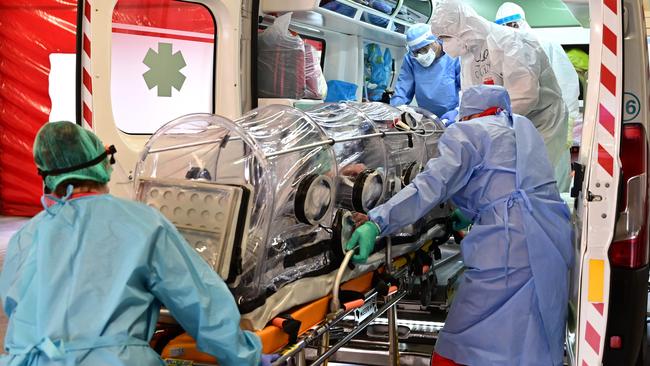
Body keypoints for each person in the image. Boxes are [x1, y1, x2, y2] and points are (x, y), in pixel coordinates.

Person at [0, 121, 276, 365]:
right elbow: (200, 303)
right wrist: (245, 355)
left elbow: (17, 306)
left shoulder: (27, 236)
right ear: (101, 164)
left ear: (47, 176)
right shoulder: (141, 223)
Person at [346, 86, 573, 366]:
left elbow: (429, 186)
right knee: (530, 337)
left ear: (465, 115)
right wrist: (469, 211)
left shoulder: (468, 132)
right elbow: (509, 180)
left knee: (464, 344)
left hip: (509, 248)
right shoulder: (522, 126)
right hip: (551, 237)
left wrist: (378, 222)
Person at [429, 0, 571, 192]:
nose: (444, 46)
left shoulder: (510, 42)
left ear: (462, 29)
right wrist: (462, 117)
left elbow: (524, 97)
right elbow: (472, 96)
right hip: (507, 128)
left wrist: (487, 122)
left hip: (541, 126)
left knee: (539, 187)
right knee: (512, 187)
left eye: (445, 38)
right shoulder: (469, 54)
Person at [495, 2, 580, 192]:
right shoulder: (500, 53)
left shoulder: (545, 45)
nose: (509, 31)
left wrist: (569, 122)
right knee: (527, 183)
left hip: (553, 124)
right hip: (521, 128)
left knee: (554, 178)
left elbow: (567, 83)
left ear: (523, 23)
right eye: (503, 27)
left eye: (513, 25)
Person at [390, 23, 461, 118]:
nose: (420, 56)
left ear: (435, 41)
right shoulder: (411, 59)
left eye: (424, 49)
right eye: (415, 52)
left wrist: (458, 111)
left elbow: (467, 90)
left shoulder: (454, 56)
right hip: (427, 117)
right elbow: (402, 89)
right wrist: (396, 109)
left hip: (452, 116)